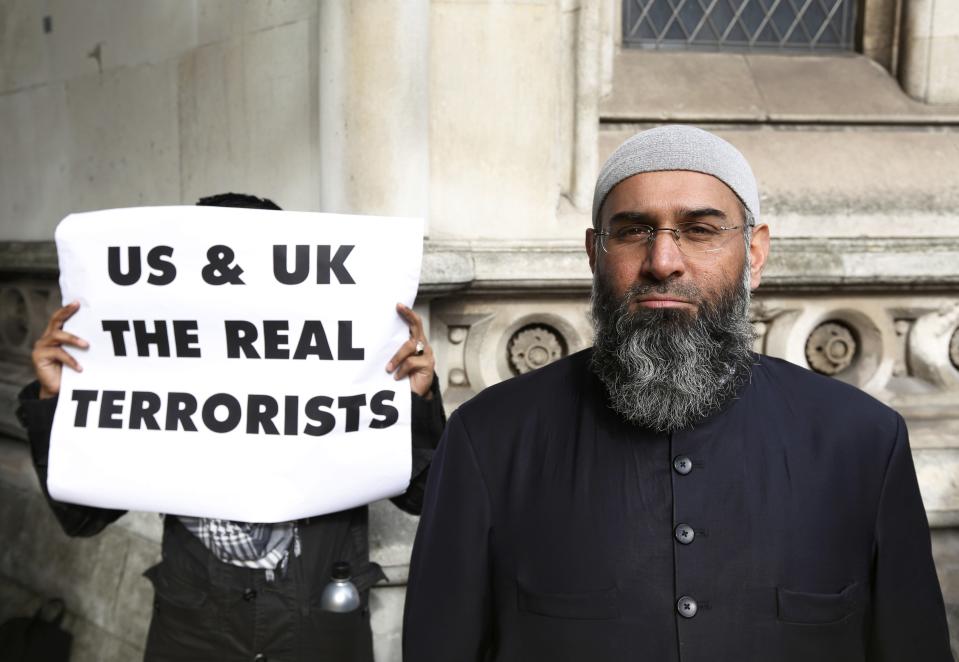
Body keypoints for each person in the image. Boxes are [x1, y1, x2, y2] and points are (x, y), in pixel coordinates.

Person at [402, 126, 953, 661]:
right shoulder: (490, 437)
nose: (662, 261)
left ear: (754, 254)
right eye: (635, 229)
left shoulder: (862, 442)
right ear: (595, 253)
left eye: (701, 230)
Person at [17, 193, 446, 662]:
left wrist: (416, 398)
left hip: (319, 624)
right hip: (194, 627)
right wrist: (55, 399)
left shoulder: (347, 374)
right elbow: (80, 518)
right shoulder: (157, 381)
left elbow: (424, 497)